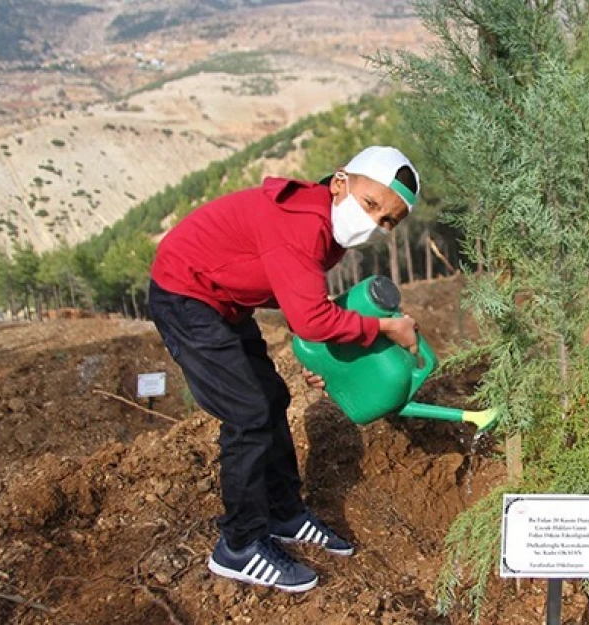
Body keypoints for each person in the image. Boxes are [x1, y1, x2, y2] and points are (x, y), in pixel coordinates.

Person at [148, 146, 422, 593]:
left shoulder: (327, 230)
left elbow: (301, 304)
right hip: (186, 294)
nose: (374, 223)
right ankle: (238, 546)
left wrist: (331, 363)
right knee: (249, 414)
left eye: (387, 220)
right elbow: (311, 321)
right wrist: (386, 326)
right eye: (371, 205)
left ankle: (282, 512)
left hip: (224, 302)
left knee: (271, 398)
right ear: (339, 182)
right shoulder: (303, 224)